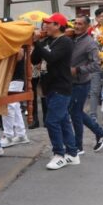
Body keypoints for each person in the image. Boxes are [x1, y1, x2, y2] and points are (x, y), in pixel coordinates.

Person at [31, 13, 79, 170]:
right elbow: (34, 60)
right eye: (44, 23)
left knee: (51, 121)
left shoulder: (65, 41)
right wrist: (38, 43)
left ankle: (59, 153)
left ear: (58, 25)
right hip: (49, 86)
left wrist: (38, 42)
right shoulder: (48, 40)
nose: (45, 26)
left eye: (48, 23)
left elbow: (51, 58)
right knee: (63, 120)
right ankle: (72, 154)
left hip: (61, 87)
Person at [70, 16, 103, 154]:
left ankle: (79, 146)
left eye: (80, 24)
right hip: (70, 82)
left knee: (75, 113)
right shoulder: (72, 39)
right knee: (75, 112)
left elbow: (97, 65)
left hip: (81, 83)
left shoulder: (89, 43)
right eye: (75, 23)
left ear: (87, 27)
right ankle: (100, 133)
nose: (76, 26)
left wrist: (78, 70)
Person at [0, 48, 31, 147]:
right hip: (13, 78)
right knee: (15, 106)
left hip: (15, 78)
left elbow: (19, 55)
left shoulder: (16, 42)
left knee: (8, 105)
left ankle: (8, 136)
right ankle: (21, 134)